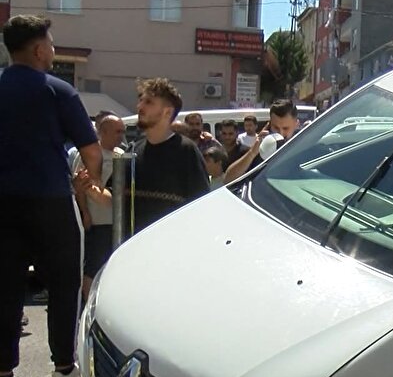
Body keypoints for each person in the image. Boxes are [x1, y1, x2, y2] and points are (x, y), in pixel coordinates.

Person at [0, 15, 102, 377]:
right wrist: (89, 179)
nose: (54, 51)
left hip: (2, 202)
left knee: (4, 286)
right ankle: (63, 368)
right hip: (50, 199)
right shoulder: (59, 91)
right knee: (64, 284)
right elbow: (91, 150)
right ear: (39, 49)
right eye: (52, 44)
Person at [122, 78, 211, 234]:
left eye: (149, 102)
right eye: (141, 101)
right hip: (134, 248)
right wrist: (91, 190)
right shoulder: (133, 149)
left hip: (171, 247)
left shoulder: (186, 152)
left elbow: (201, 205)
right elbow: (115, 198)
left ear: (167, 112)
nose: (140, 107)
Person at [71, 114, 126, 300]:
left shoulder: (121, 154)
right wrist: (85, 213)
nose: (121, 135)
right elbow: (80, 186)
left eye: (123, 131)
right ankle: (87, 305)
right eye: (117, 131)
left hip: (117, 222)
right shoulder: (89, 154)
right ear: (103, 132)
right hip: (97, 221)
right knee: (92, 267)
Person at [223, 99, 301, 182]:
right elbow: (228, 179)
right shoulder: (264, 146)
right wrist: (252, 153)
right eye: (276, 128)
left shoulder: (306, 144)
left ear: (296, 124)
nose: (280, 133)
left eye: (285, 128)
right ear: (269, 125)